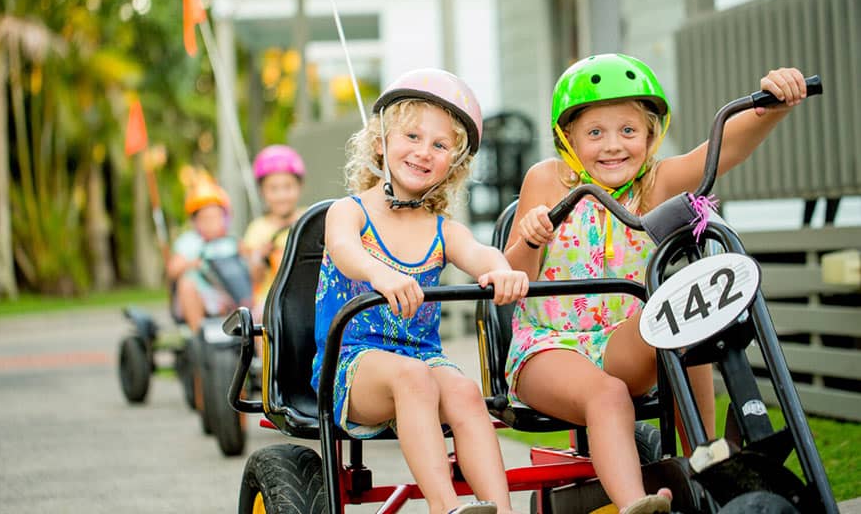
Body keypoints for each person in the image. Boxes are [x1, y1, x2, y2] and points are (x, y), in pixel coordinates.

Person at [503, 54, 809, 514]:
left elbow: (722, 150)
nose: (613, 146)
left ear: (651, 136)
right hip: (547, 347)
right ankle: (638, 506)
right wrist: (530, 238)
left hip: (621, 343)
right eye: (595, 133)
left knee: (685, 319)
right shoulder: (546, 179)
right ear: (568, 138)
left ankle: (705, 460)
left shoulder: (656, 182)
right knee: (605, 394)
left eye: (628, 130)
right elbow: (512, 277)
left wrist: (773, 107)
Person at [310, 68, 529, 514]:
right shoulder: (349, 212)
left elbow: (480, 253)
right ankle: (445, 507)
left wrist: (501, 270)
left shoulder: (442, 229)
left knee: (465, 392)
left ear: (454, 165)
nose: (423, 151)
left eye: (440, 145)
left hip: (422, 360)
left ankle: (502, 510)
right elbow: (345, 251)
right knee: (413, 379)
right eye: (412, 136)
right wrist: (380, 274)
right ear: (380, 142)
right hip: (351, 363)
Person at [243, 144, 307, 310]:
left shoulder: (308, 219)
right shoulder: (257, 229)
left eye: (288, 187)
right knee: (259, 314)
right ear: (262, 191)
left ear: (299, 187)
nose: (281, 196)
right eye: (273, 189)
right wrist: (259, 257)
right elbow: (253, 278)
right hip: (271, 300)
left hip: (306, 296)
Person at [166, 179, 234, 332]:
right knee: (186, 284)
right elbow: (172, 270)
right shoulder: (189, 242)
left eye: (215, 218)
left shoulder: (230, 243)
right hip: (199, 294)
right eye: (205, 219)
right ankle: (198, 333)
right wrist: (192, 263)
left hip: (225, 295)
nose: (211, 223)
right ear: (195, 221)